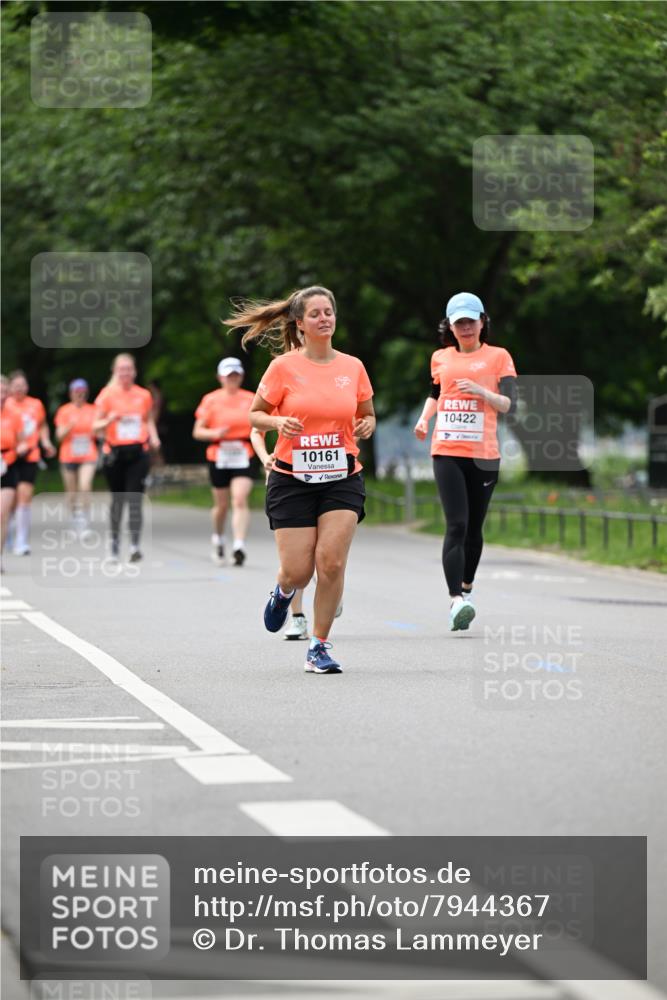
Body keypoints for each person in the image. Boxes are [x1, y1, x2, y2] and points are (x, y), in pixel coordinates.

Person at [224, 285, 375, 675]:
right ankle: (284, 590)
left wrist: (367, 424)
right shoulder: (283, 368)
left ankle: (319, 646)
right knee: (299, 571)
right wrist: (278, 421)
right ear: (300, 324)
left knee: (331, 562)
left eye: (329, 312)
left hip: (342, 475)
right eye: (316, 314)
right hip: (292, 478)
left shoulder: (352, 367)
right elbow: (255, 415)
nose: (325, 318)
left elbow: (367, 412)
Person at [414, 292, 517, 631]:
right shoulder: (440, 358)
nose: (466, 328)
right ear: (451, 327)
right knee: (456, 524)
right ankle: (456, 599)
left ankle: (467, 588)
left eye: (471, 321)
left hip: (484, 455)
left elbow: (509, 405)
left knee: (474, 529)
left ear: (483, 322)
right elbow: (435, 393)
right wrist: (424, 419)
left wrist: (481, 392)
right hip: (446, 451)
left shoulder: (498, 357)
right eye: (460, 323)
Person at [250, 424, 344, 641]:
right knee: (299, 563)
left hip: (332, 482)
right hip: (291, 483)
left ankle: (329, 590)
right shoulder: (282, 393)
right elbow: (256, 430)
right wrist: (265, 457)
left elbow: (355, 427)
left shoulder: (341, 392)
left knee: (329, 555)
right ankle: (297, 616)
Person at [93, 353, 160, 562]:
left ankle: (134, 545)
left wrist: (155, 437)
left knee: (135, 499)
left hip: (138, 452)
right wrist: (108, 421)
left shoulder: (143, 395)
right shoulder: (106, 395)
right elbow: (94, 427)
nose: (125, 373)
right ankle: (113, 544)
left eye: (129, 369)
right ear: (115, 371)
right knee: (118, 499)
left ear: (134, 372)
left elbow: (148, 420)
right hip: (114, 454)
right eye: (121, 369)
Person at [193, 358, 259, 566]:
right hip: (219, 454)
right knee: (221, 505)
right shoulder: (210, 400)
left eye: (236, 375)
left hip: (243, 452)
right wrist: (214, 433)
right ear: (220, 377)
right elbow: (197, 431)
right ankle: (219, 538)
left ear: (241, 376)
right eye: (228, 375)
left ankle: (239, 545)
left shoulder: (251, 399)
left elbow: (262, 424)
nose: (232, 379)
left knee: (239, 499)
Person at [5, 370, 56, 555]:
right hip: (9, 456)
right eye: (16, 386)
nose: (20, 389)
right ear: (10, 388)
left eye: (23, 385)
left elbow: (42, 425)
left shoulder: (35, 404)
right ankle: (7, 533)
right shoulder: (5, 404)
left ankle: (21, 541)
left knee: (24, 496)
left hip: (30, 455)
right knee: (9, 500)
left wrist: (46, 442)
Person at [54, 378, 98, 531]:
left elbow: (99, 432)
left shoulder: (93, 410)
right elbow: (59, 436)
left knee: (85, 486)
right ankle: (74, 519)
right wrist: (69, 427)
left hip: (88, 454)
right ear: (71, 393)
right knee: (71, 491)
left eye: (82, 392)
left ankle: (84, 521)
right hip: (68, 455)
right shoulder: (64, 411)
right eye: (76, 392)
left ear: (86, 393)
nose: (80, 395)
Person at [1, 375, 28, 567]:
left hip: (7, 465)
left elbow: (22, 440)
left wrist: (21, 449)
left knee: (2, 513)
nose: (1, 396)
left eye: (4, 392)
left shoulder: (15, 416)